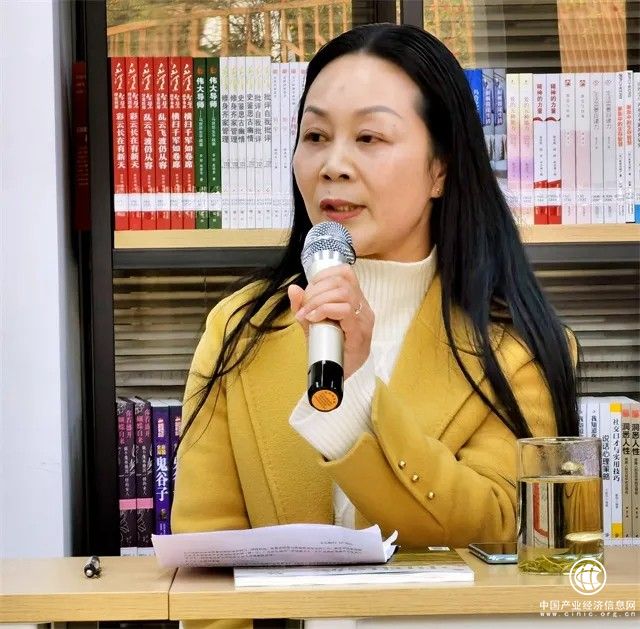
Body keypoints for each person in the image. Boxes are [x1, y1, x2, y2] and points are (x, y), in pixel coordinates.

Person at [171, 23, 579, 629]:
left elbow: (495, 528)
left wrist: (358, 393)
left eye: (369, 137)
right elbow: (207, 572)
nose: (333, 165)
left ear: (440, 169)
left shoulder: (516, 347)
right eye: (315, 136)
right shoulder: (239, 329)